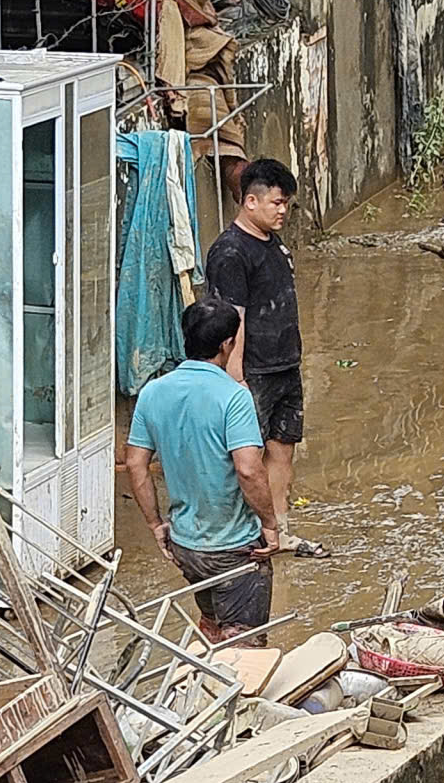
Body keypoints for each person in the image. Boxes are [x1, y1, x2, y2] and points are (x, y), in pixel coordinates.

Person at [124, 298, 281, 644]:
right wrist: (270, 525)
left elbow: (135, 464)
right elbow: (249, 470)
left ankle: (201, 680)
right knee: (244, 647)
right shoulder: (233, 397)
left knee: (212, 625)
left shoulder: (153, 392)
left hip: (187, 546)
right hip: (235, 548)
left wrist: (155, 524)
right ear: (227, 344)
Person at [203, 156, 328, 558]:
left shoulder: (273, 243)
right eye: (276, 203)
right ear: (250, 202)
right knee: (246, 456)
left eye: (286, 203)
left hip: (285, 365)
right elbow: (230, 320)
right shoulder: (230, 253)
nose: (283, 211)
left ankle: (277, 529)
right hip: (251, 372)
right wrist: (234, 379)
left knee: (282, 448)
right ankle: (238, 535)